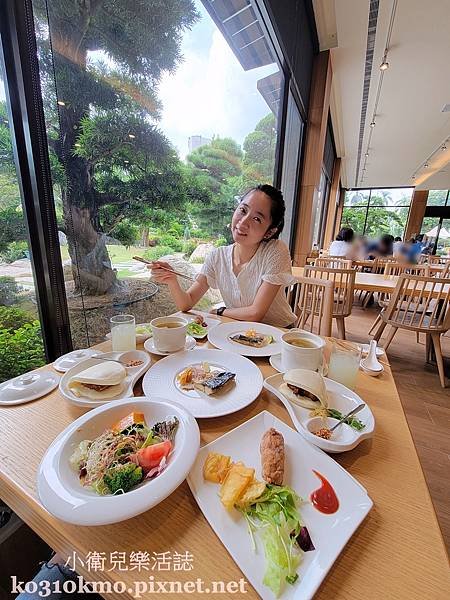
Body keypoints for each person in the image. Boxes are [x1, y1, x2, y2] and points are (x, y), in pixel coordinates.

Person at [150, 184, 297, 327]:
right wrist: (171, 280)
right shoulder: (217, 256)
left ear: (270, 232)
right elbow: (186, 303)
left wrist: (220, 311)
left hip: (280, 333)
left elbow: (255, 313)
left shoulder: (275, 251)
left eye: (257, 219)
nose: (243, 222)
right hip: (240, 332)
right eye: (243, 210)